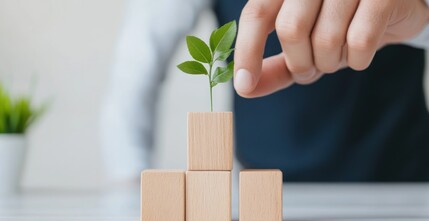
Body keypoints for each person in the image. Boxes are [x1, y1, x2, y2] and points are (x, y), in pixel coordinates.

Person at [101, 0, 429, 182]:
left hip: (404, 180)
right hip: (264, 185)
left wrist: (422, 19)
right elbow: (141, 56)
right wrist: (130, 180)